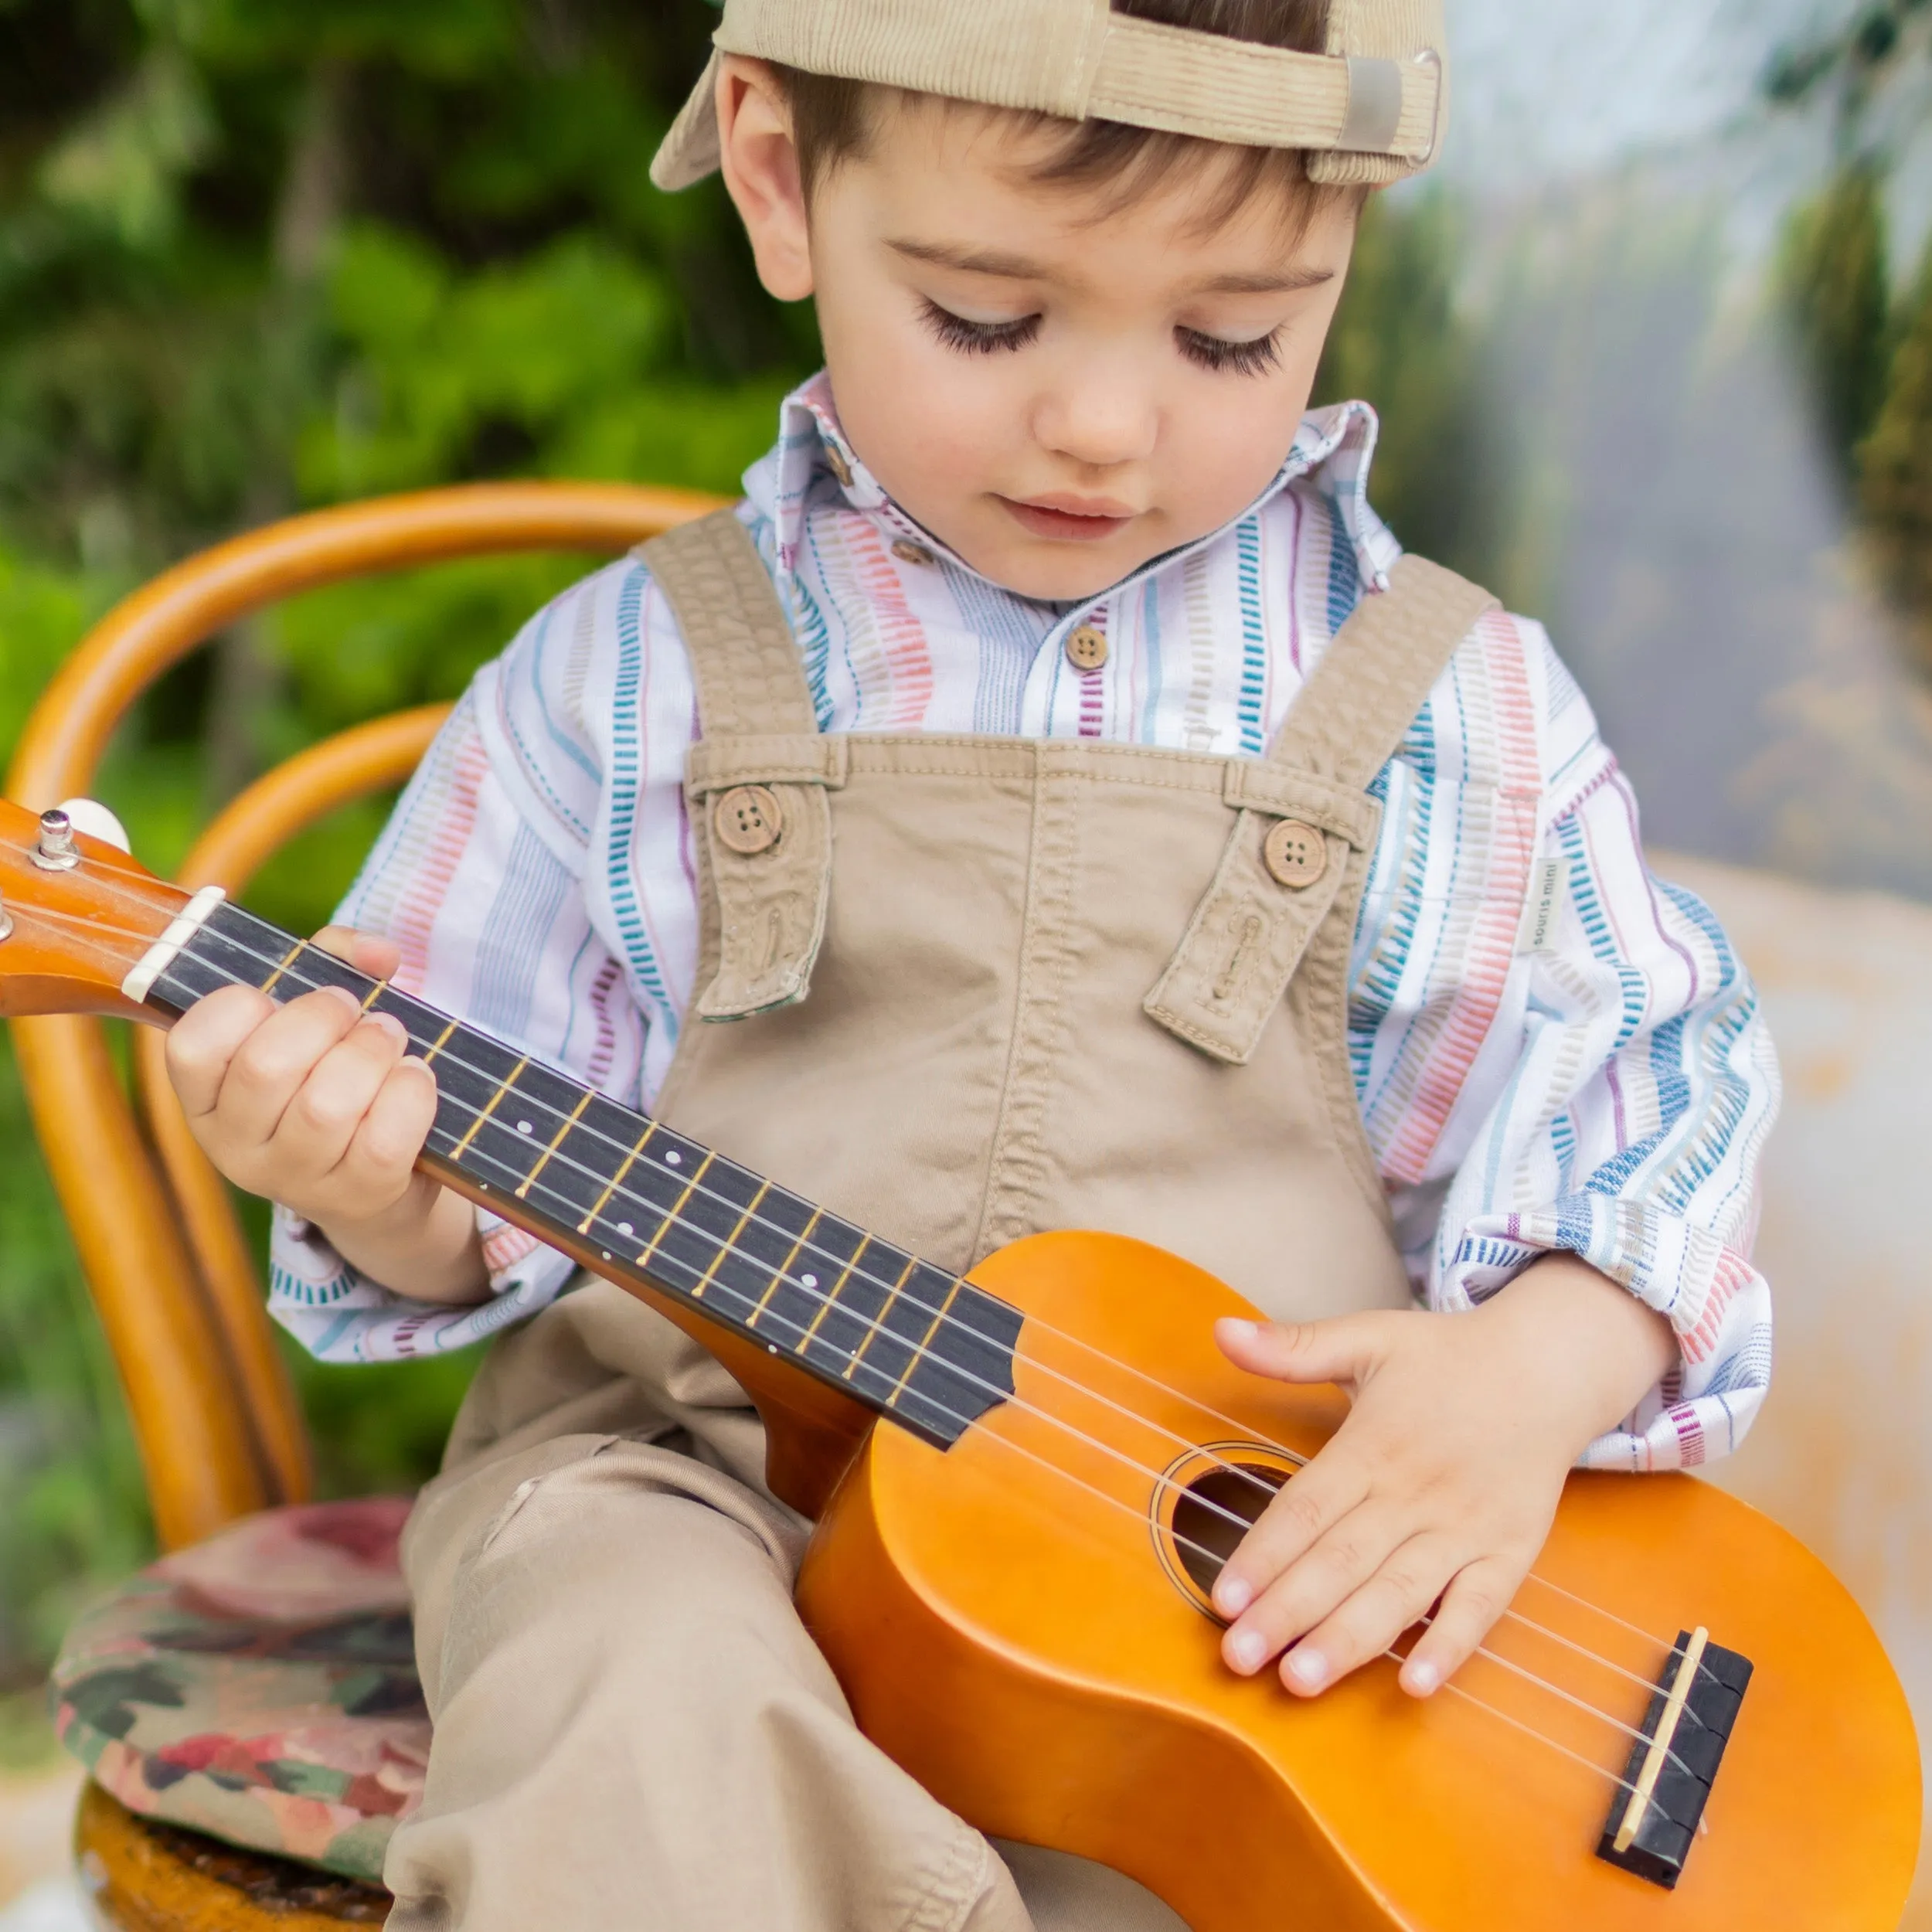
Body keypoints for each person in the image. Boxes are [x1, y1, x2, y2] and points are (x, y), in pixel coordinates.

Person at [162, 3, 1779, 1927]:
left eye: (1231, 335)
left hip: (1222, 1581)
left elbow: (1652, 1090)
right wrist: (370, 1171)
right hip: (709, 1499)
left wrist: (1526, 1375)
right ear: (779, 176)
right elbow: (459, 1187)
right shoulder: (631, 683)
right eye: (988, 320)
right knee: (622, 1699)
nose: (1102, 424)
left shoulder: (1448, 711)